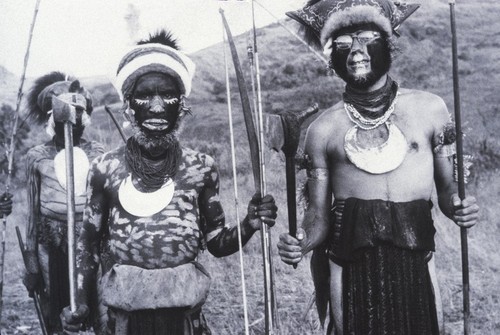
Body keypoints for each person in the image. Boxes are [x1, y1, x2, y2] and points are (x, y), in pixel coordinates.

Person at [277, 1, 479, 334]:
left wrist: (461, 206)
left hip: (415, 262)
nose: (356, 51)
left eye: (367, 36)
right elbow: (318, 215)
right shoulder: (323, 130)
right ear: (331, 55)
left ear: (387, 40)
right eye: (342, 43)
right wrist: (302, 240)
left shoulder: (430, 110)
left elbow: (447, 190)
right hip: (349, 269)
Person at [60, 30, 278, 335]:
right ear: (128, 105)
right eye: (145, 95)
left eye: (168, 95)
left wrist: (249, 224)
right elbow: (88, 246)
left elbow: (216, 243)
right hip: (123, 321)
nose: (158, 106)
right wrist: (80, 301)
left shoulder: (201, 168)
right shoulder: (105, 168)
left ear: (182, 106)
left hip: (185, 321)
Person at [23, 72, 106, 334]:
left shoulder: (98, 154)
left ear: (85, 118)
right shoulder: (37, 157)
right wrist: (33, 266)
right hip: (52, 246)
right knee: (56, 314)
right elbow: (33, 216)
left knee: (102, 310)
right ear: (52, 118)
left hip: (92, 244)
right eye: (64, 114)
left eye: (78, 114)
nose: (72, 121)